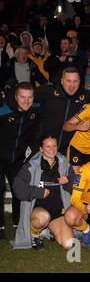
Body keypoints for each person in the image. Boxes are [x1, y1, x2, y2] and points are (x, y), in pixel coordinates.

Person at [12, 135, 75, 249]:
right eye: (48, 146)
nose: (52, 149)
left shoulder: (64, 162)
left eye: (54, 146)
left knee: (69, 244)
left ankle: (47, 230)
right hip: (39, 211)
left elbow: (76, 184)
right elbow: (17, 188)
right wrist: (38, 192)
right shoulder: (32, 165)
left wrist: (68, 180)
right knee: (43, 217)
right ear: (41, 149)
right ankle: (36, 234)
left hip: (57, 212)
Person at [0, 82, 40, 239]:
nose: (26, 101)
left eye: (29, 97)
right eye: (22, 97)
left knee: (19, 190)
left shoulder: (35, 110)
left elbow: (35, 134)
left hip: (17, 159)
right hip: (0, 158)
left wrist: (27, 156)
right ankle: (0, 227)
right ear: (16, 97)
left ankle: (18, 223)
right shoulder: (3, 110)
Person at [34, 67, 90, 155]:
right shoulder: (48, 91)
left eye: (75, 81)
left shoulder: (85, 95)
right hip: (42, 148)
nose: (72, 85)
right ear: (62, 81)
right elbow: (23, 96)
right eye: (68, 81)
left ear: (80, 81)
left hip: (65, 152)